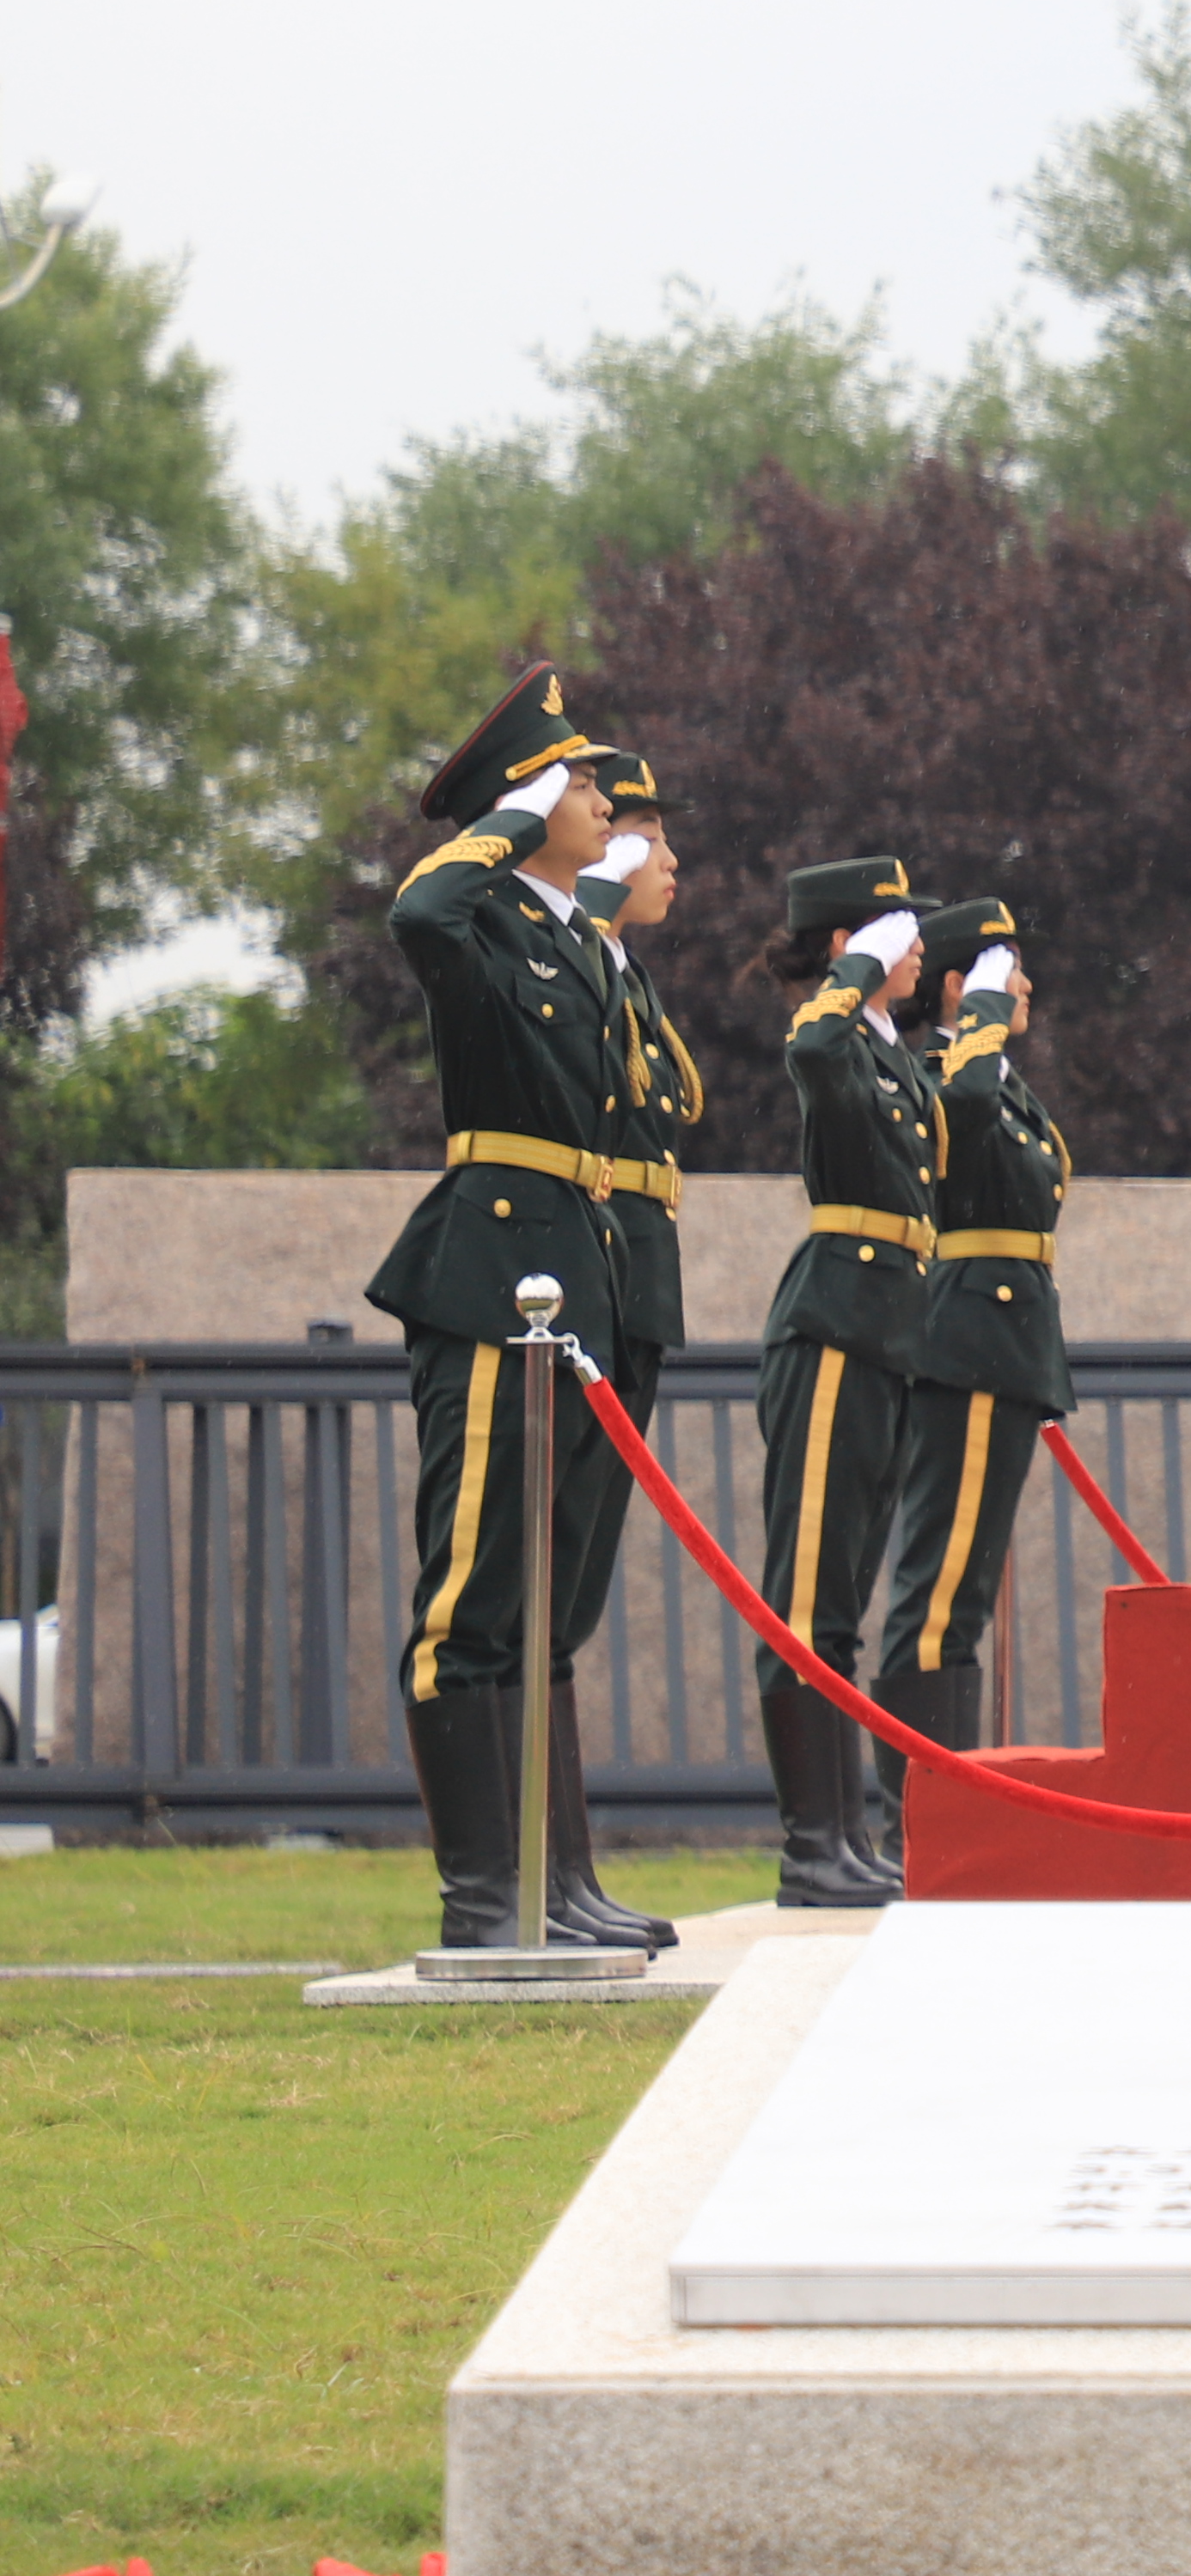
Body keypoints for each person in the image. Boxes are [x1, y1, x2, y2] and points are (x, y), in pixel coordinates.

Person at [357, 667, 632, 1954]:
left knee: (532, 1602)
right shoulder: (478, 919)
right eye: (573, 779)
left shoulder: (574, 941)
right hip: (491, 1265)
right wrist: (510, 820)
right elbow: (416, 908)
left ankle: (541, 1888)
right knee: (469, 1594)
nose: (596, 797)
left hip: (573, 1264)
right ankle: (484, 1903)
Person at [749, 857, 940, 1908]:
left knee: (844, 1600)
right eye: (895, 931)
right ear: (846, 947)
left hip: (889, 1332)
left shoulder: (892, 1056)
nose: (917, 949)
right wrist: (850, 974)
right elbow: (811, 1039)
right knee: (806, 1594)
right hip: (831, 1327)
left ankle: (846, 1834)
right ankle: (809, 1843)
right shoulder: (834, 1038)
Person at [870, 894, 1070, 1867]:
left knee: (963, 1584)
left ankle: (944, 1800)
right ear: (960, 986)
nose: (1023, 986)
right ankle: (910, 1807)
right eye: (1003, 969)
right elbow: (963, 1109)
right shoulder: (943, 1071)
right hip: (969, 1332)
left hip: (1005, 1332)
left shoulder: (991, 1076)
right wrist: (978, 1027)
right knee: (941, 1583)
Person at [541, 744, 698, 1951]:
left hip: (635, 1281)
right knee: (547, 1583)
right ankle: (547, 1878)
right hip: (589, 1271)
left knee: (577, 1586)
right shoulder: (580, 961)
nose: (670, 865)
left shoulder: (626, 976)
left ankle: (569, 1875)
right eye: (651, 841)